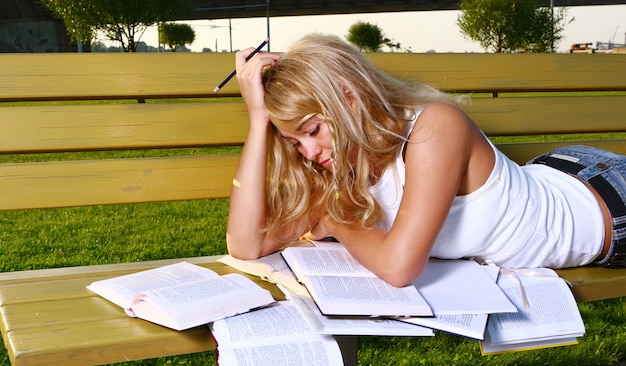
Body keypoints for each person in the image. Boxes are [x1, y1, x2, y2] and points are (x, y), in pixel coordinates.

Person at [227, 34, 626, 288]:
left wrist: (333, 220)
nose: (310, 153)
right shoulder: (336, 166)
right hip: (548, 177)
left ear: (349, 100)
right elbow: (246, 244)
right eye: (295, 142)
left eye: (313, 130)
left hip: (604, 201)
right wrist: (259, 119)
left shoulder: (434, 127)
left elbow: (399, 268)